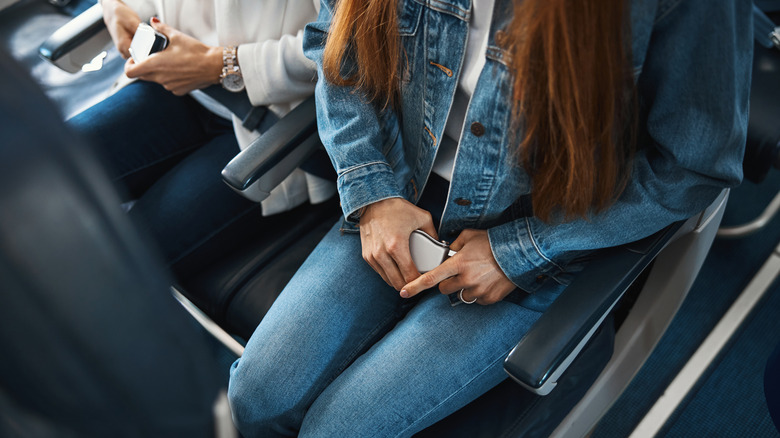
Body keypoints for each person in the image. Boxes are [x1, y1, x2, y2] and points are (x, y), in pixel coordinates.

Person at [228, 0, 752, 436]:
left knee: (336, 432)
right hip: (404, 186)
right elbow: (335, 41)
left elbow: (693, 163)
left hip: (546, 225)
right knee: (256, 398)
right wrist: (371, 192)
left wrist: (519, 251)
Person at [68, 0, 333, 278]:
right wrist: (115, 6)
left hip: (271, 121)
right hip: (171, 85)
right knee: (36, 177)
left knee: (113, 263)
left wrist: (222, 64)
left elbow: (345, 45)